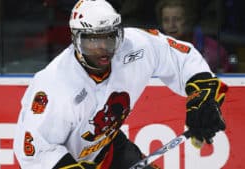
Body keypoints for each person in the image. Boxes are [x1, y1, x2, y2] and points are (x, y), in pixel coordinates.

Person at [13, 0, 228, 168]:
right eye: (92, 41)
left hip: (108, 148)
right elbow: (35, 150)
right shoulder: (54, 84)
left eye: (110, 38)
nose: (103, 49)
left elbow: (180, 57)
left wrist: (202, 96)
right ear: (76, 39)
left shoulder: (133, 46)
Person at [155, 0, 234, 73]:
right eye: (166, 20)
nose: (171, 25)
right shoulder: (156, 50)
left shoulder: (213, 51)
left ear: (189, 20)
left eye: (177, 19)